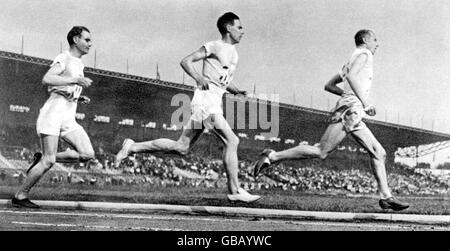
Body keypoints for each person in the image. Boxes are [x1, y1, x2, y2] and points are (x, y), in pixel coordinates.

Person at [252, 30, 409, 211]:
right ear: (365, 40)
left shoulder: (349, 61)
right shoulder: (365, 54)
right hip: (350, 111)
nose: (377, 44)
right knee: (321, 151)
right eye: (375, 39)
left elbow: (329, 85)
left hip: (352, 111)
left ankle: (386, 197)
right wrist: (365, 103)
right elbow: (350, 77)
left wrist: (349, 95)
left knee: (379, 152)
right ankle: (272, 156)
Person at [115, 12, 261, 203]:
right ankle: (234, 189)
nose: (243, 31)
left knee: (181, 147)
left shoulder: (234, 53)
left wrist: (236, 91)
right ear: (228, 28)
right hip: (205, 102)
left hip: (212, 102)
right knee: (232, 141)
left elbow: (221, 81)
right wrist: (199, 78)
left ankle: (132, 147)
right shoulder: (214, 46)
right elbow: (186, 61)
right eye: (239, 27)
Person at [12, 26, 95, 208]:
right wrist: (75, 81)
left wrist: (78, 96)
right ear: (75, 39)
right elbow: (48, 79)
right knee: (48, 162)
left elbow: (61, 88)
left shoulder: (79, 64)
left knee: (87, 154)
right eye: (87, 39)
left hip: (68, 118)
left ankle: (42, 156)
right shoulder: (64, 58)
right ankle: (20, 195)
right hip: (52, 115)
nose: (90, 43)